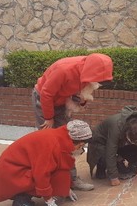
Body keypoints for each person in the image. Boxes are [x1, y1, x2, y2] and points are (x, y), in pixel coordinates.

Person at [32, 53, 113, 191]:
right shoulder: (64, 70)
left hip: (61, 101)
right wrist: (49, 117)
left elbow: (78, 95)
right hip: (44, 101)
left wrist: (81, 101)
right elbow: (46, 93)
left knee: (70, 140)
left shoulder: (88, 72)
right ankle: (46, 180)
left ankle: (72, 180)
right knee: (48, 142)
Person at [0, 120, 93, 206]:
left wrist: (66, 187)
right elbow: (41, 175)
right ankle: (21, 200)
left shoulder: (61, 137)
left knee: (58, 172)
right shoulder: (52, 146)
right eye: (81, 147)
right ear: (79, 142)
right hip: (11, 172)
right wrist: (49, 201)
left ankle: (25, 195)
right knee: (43, 177)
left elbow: (62, 167)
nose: (80, 149)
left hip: (18, 168)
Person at [87, 106, 137, 186]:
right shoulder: (116, 126)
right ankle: (103, 166)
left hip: (122, 143)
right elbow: (110, 151)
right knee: (105, 158)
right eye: (135, 142)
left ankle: (123, 163)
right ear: (128, 134)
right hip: (102, 143)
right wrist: (114, 177)